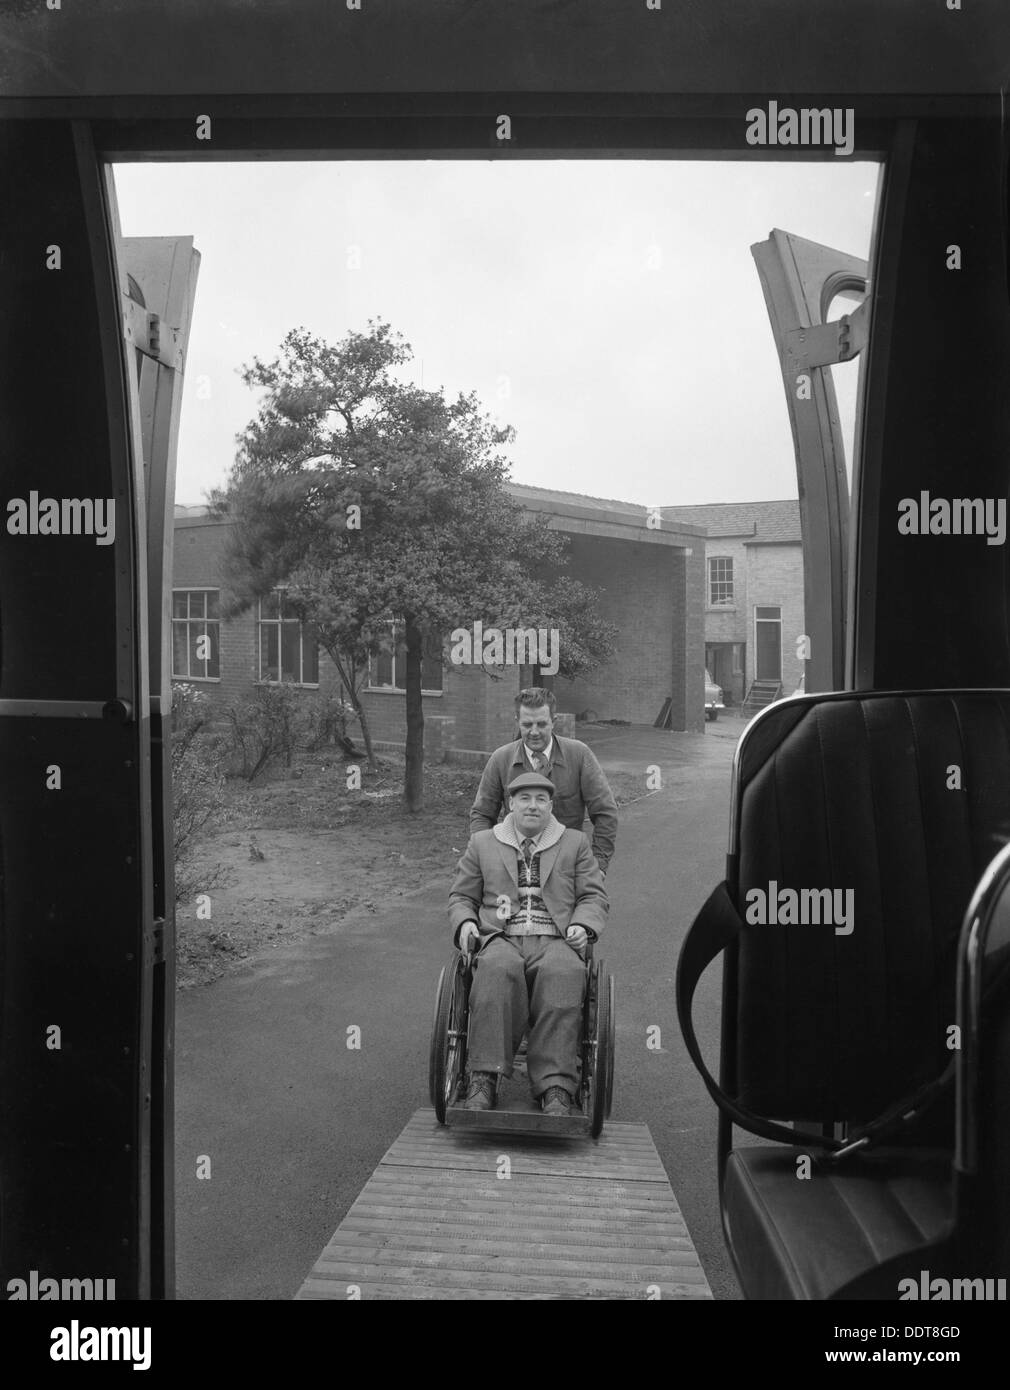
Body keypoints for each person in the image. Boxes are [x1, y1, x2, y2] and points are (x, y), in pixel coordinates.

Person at [449, 771, 609, 1116]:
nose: (532, 806)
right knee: (495, 970)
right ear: (511, 803)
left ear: (551, 806)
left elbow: (594, 897)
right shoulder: (484, 843)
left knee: (563, 974)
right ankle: (483, 1076)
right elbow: (461, 896)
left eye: (540, 800)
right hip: (502, 937)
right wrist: (465, 923)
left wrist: (583, 924)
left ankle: (555, 1084)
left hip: (556, 938)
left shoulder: (575, 843)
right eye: (524, 799)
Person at [469, 687, 618, 874]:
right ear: (517, 722)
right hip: (515, 871)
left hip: (566, 870)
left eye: (541, 724)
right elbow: (482, 815)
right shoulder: (501, 759)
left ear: (553, 722)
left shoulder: (579, 755)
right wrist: (486, 861)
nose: (534, 732)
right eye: (527, 725)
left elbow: (605, 812)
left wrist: (599, 866)